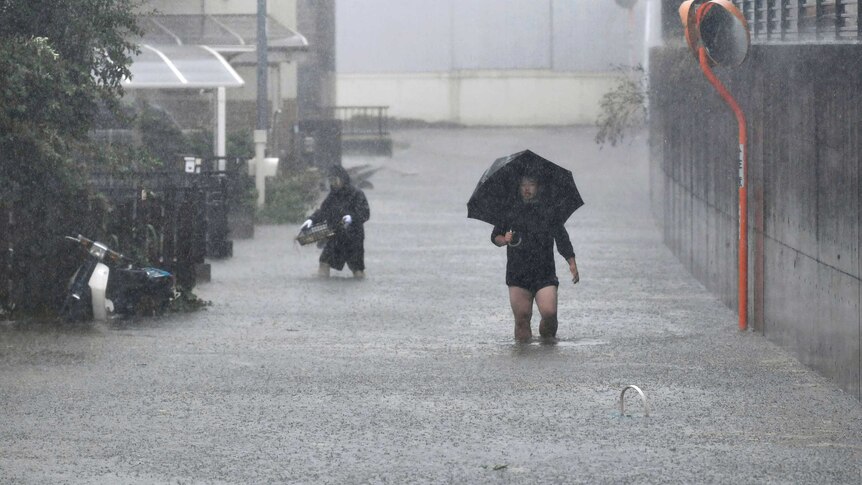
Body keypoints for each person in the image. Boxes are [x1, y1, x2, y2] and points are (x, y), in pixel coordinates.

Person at [491, 174, 579, 341]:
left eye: (531, 184)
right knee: (522, 320)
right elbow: (495, 237)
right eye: (523, 185)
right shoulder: (509, 209)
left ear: (538, 187)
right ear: (518, 188)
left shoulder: (549, 210)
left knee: (549, 313)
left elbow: (562, 238)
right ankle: (524, 362)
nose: (526, 188)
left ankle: (547, 344)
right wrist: (504, 240)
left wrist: (571, 262)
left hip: (544, 272)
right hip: (518, 273)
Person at [301, 165, 370, 279]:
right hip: (336, 236)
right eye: (330, 180)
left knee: (357, 270)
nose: (333, 183)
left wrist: (351, 217)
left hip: (353, 239)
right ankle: (323, 282)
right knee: (324, 262)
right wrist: (311, 220)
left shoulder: (357, 194)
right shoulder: (333, 196)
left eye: (335, 179)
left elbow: (365, 214)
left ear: (342, 178)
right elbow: (323, 211)